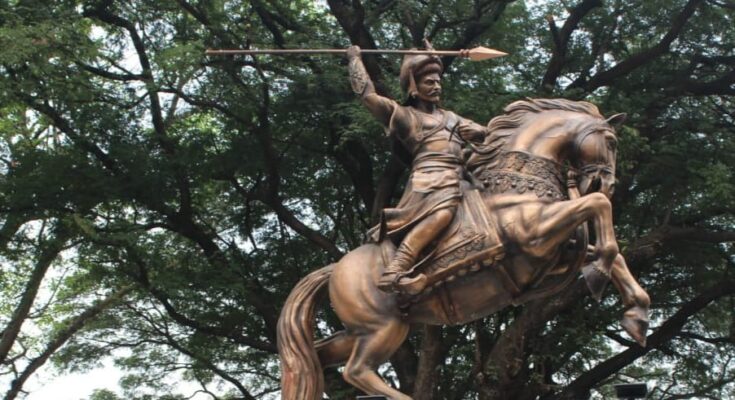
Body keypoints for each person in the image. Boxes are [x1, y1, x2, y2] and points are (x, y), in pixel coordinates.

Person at [347, 44, 488, 294]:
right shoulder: (404, 116)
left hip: (462, 176)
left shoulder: (453, 117)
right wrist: (355, 60)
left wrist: (481, 132)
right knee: (444, 212)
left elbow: (489, 136)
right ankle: (396, 269)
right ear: (415, 86)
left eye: (438, 82)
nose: (436, 87)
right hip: (431, 180)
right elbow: (369, 97)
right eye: (429, 82)